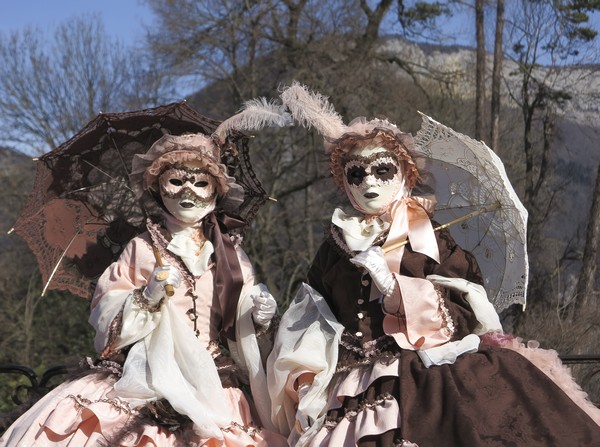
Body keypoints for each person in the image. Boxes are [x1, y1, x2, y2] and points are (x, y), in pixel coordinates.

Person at [267, 82, 600, 447]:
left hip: (427, 371)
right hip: (354, 383)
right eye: (356, 173)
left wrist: (399, 291)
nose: (369, 182)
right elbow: (316, 315)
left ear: (406, 174)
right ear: (344, 182)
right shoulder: (334, 246)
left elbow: (460, 315)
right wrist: (270, 325)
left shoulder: (432, 240)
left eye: (382, 170)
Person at [1, 103, 290, 446]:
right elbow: (106, 319)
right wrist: (145, 297)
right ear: (158, 187)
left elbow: (238, 318)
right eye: (177, 181)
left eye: (200, 183)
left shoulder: (231, 254)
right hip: (149, 373)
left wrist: (260, 318)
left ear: (216, 190)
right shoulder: (141, 248)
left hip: (217, 380)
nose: (188, 191)